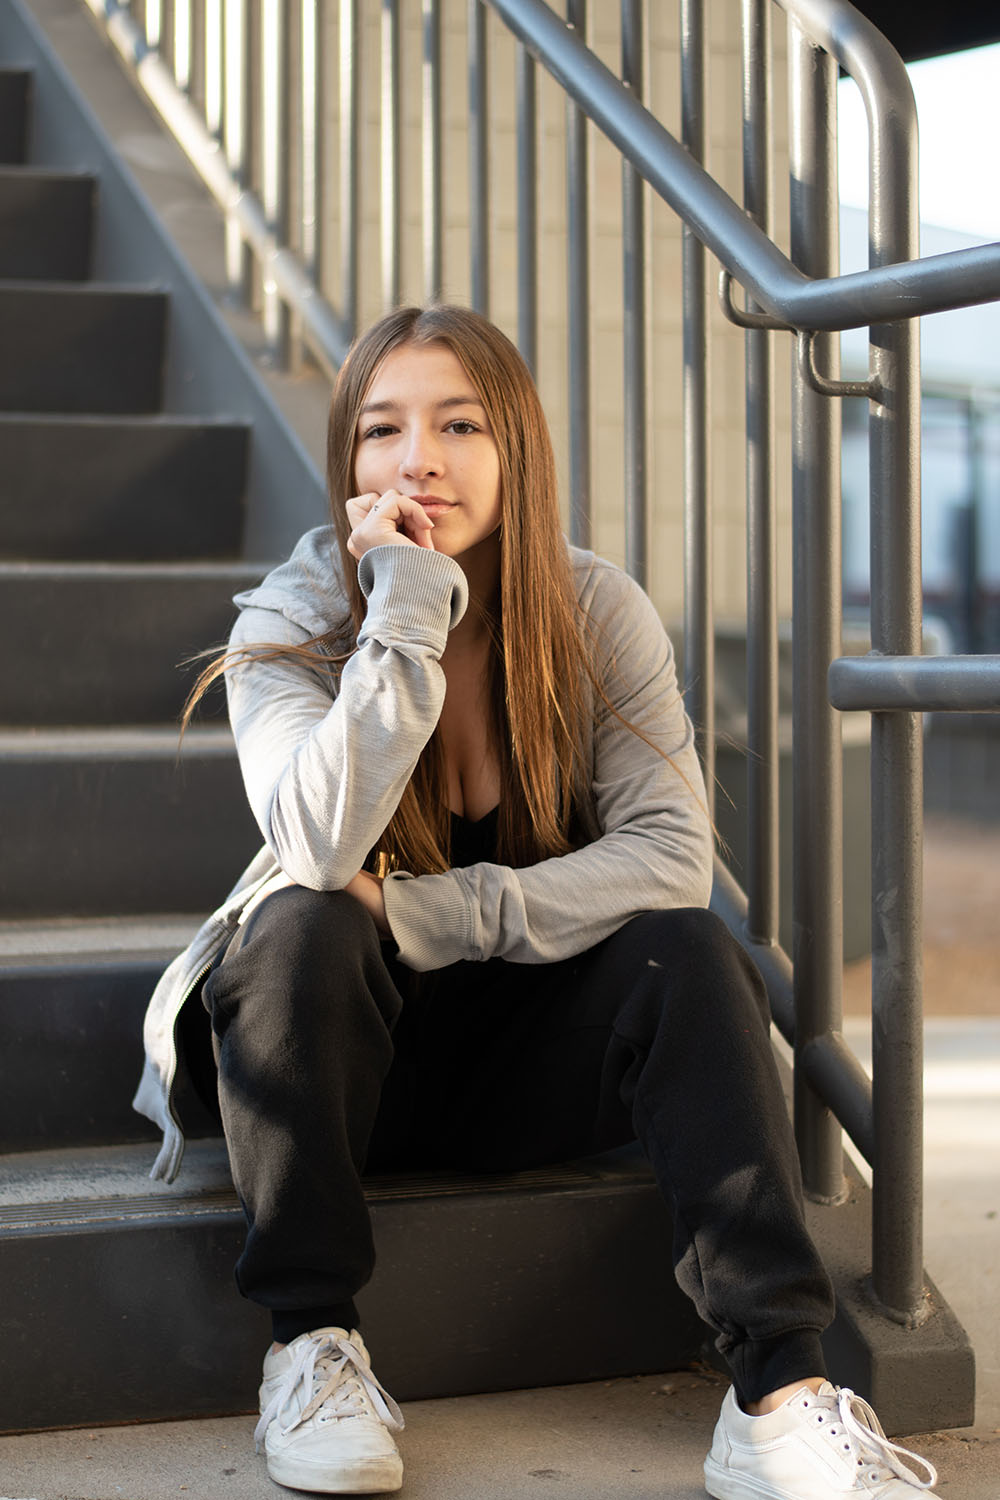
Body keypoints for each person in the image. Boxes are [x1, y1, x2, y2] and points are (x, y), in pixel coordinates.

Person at [136, 304, 940, 1499]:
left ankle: (778, 1390)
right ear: (346, 462)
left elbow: (671, 856)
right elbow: (313, 841)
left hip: (518, 1065)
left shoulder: (593, 611)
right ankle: (311, 1345)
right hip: (322, 1066)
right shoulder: (298, 614)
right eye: (381, 430)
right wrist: (402, 603)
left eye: (458, 422)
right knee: (307, 919)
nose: (418, 459)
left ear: (515, 443)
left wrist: (423, 915)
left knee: (687, 952)